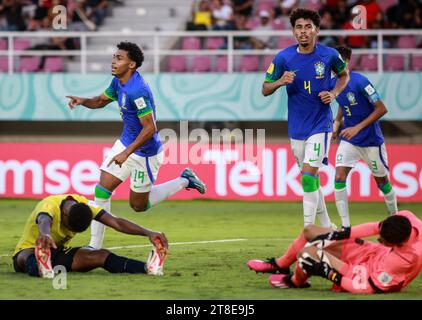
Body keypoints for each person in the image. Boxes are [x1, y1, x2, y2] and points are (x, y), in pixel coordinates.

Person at [66, 42, 206, 250]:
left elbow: (150, 128)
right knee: (102, 190)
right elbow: (100, 101)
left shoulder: (137, 91)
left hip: (145, 153)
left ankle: (184, 180)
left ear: (131, 64)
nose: (114, 61)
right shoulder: (118, 82)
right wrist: (83, 100)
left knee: (138, 206)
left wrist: (126, 152)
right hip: (125, 144)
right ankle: (94, 246)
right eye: (114, 56)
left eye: (119, 58)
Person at [262, 8, 349, 228]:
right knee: (310, 180)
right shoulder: (283, 57)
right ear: (293, 31)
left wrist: (334, 94)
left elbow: (344, 75)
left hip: (321, 125)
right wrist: (280, 81)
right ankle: (327, 226)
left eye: (308, 27)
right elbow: (265, 89)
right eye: (299, 27)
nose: (303, 31)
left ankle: (308, 231)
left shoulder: (329, 55)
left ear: (316, 30)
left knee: (309, 177)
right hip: (296, 129)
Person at [248, 210, 422, 294]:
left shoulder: (404, 260)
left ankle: (295, 281)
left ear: (397, 244)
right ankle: (281, 265)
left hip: (362, 273)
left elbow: (368, 287)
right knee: (311, 231)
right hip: (371, 253)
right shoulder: (405, 218)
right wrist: (337, 234)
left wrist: (331, 274)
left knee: (307, 254)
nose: (378, 238)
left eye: (383, 240)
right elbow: (374, 228)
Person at [13, 194, 168, 278]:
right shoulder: (49, 205)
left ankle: (147, 268)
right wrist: (45, 234)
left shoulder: (86, 205)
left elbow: (116, 222)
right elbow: (43, 219)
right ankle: (41, 264)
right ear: (65, 214)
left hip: (58, 253)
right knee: (26, 256)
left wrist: (148, 232)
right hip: (30, 249)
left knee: (100, 255)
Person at [332, 45, 398, 229]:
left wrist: (357, 128)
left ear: (345, 62)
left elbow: (382, 108)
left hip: (370, 141)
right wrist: (337, 123)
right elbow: (341, 102)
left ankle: (396, 218)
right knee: (338, 177)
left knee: (382, 182)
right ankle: (345, 227)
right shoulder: (333, 83)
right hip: (349, 141)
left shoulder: (361, 82)